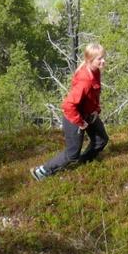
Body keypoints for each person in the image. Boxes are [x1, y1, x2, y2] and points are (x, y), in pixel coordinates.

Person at [31, 42, 109, 180]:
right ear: (90, 60)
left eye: (103, 57)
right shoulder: (85, 81)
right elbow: (68, 105)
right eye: (100, 58)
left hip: (89, 115)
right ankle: (42, 171)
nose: (103, 61)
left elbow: (94, 95)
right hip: (75, 118)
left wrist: (96, 109)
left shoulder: (95, 71)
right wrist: (80, 122)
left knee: (101, 140)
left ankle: (84, 162)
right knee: (72, 153)